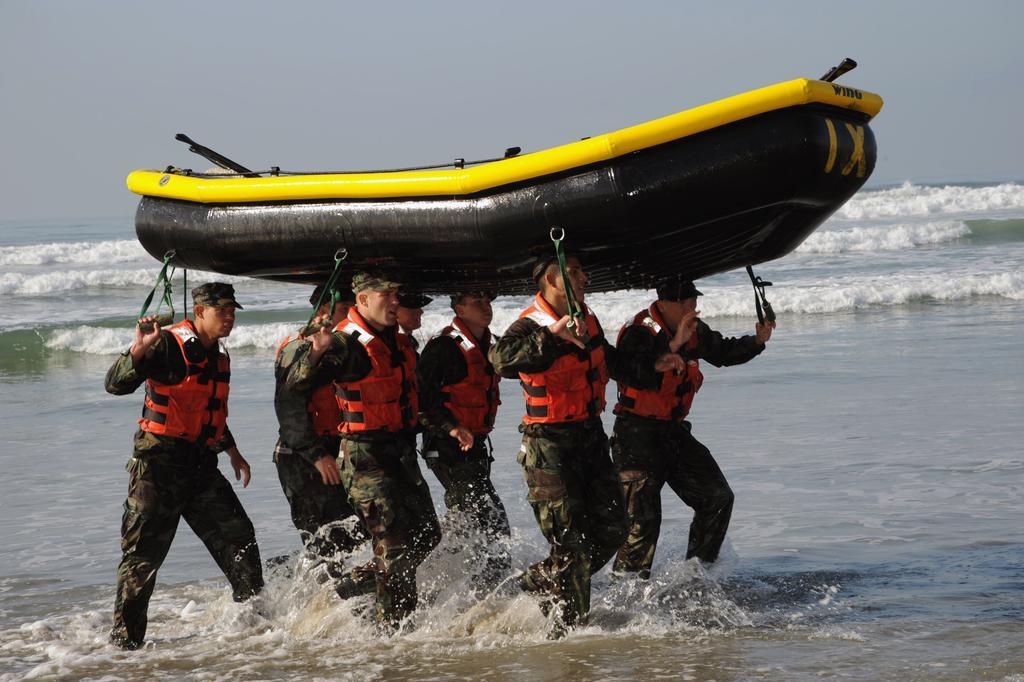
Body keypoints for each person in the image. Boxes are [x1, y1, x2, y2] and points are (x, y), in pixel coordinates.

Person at [489, 255, 686, 633]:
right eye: (576, 272)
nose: (585, 277)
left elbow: (609, 361)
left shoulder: (586, 317)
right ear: (552, 278)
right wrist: (551, 336)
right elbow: (500, 360)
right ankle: (570, 638)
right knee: (572, 546)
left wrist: (654, 367)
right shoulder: (531, 323)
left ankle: (538, 580)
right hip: (549, 447)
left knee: (614, 527)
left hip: (590, 438)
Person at [105, 282, 263, 650]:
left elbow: (205, 410)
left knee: (239, 537)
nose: (230, 317)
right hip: (158, 467)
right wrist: (138, 350)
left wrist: (232, 450)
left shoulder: (216, 356)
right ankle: (125, 647)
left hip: (200, 466)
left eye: (233, 310)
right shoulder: (167, 344)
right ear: (200, 311)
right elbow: (114, 384)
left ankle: (253, 625)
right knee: (143, 559)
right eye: (222, 310)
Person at [288, 271, 441, 631]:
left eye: (395, 294)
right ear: (362, 301)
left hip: (399, 453)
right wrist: (316, 352)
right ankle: (392, 635)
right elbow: (296, 384)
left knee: (427, 534)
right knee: (395, 547)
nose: (394, 301)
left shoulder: (396, 341)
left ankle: (359, 580)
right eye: (384, 295)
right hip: (365, 458)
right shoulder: (347, 344)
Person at [611, 277, 776, 578]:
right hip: (637, 437)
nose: (693, 306)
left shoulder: (694, 331)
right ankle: (623, 600)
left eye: (693, 300)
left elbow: (723, 353)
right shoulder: (639, 331)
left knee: (717, 497)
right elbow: (630, 370)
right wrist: (670, 347)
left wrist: (756, 341)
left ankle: (696, 577)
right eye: (685, 302)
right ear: (664, 303)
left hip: (673, 434)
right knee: (643, 524)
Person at [273, 283, 374, 598]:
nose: (348, 317)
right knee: (324, 541)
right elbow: (288, 407)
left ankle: (337, 602)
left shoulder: (339, 347)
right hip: (301, 458)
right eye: (344, 311)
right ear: (322, 313)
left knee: (351, 536)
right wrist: (317, 455)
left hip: (332, 450)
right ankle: (306, 604)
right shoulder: (298, 348)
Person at [418, 291, 511, 590]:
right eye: (477, 302)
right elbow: (422, 400)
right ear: (459, 308)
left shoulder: (489, 344)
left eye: (488, 302)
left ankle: (436, 578)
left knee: (472, 521)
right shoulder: (444, 347)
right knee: (493, 523)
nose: (486, 307)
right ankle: (487, 594)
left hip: (474, 449)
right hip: (445, 448)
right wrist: (452, 427)